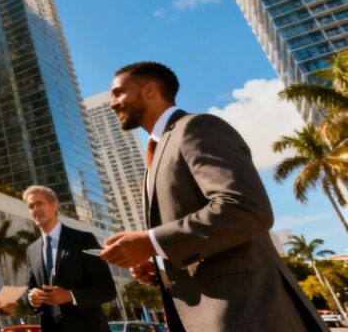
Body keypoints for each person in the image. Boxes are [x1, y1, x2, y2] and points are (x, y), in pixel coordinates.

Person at [100, 61, 325, 331]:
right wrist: (162, 261)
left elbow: (245, 209)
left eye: (118, 92)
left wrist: (151, 242)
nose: (113, 103)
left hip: (246, 314)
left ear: (149, 90)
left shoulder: (196, 127)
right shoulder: (156, 154)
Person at [22, 186, 114, 332]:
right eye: (31, 206)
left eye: (40, 203)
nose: (35, 209)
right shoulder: (31, 251)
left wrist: (71, 295)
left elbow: (107, 289)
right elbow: (30, 288)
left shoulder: (84, 239)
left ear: (54, 205)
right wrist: (31, 299)